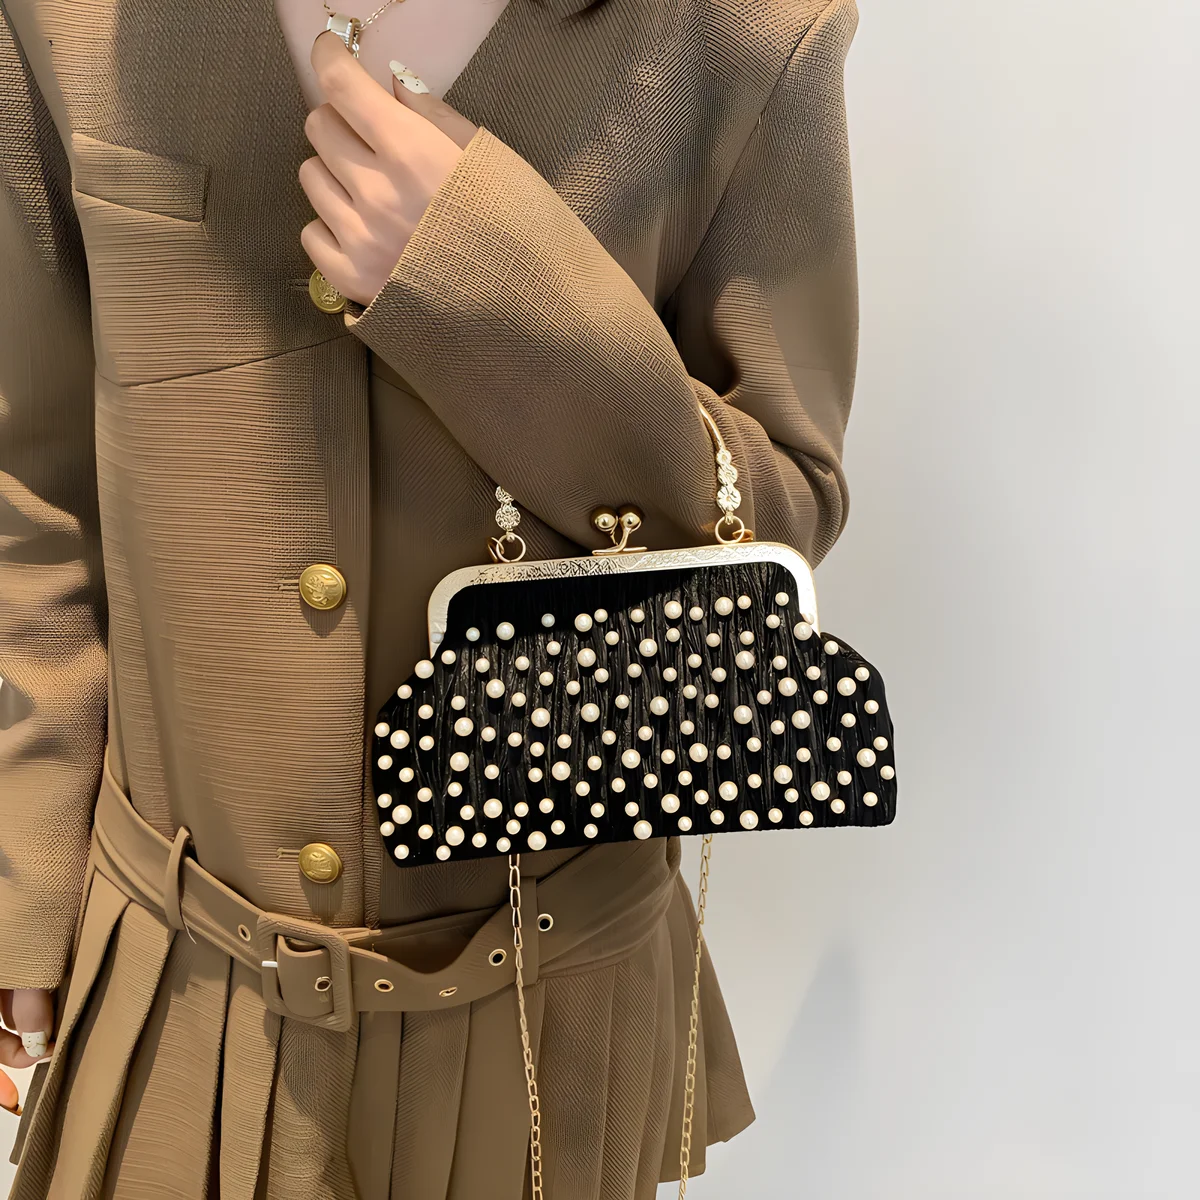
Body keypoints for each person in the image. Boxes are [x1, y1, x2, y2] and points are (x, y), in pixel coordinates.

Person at [0, 0, 860, 1193]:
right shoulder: (67, 18)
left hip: (550, 1034)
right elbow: (35, 483)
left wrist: (497, 288)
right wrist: (23, 877)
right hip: (171, 1001)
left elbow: (778, 515)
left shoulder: (742, 32)